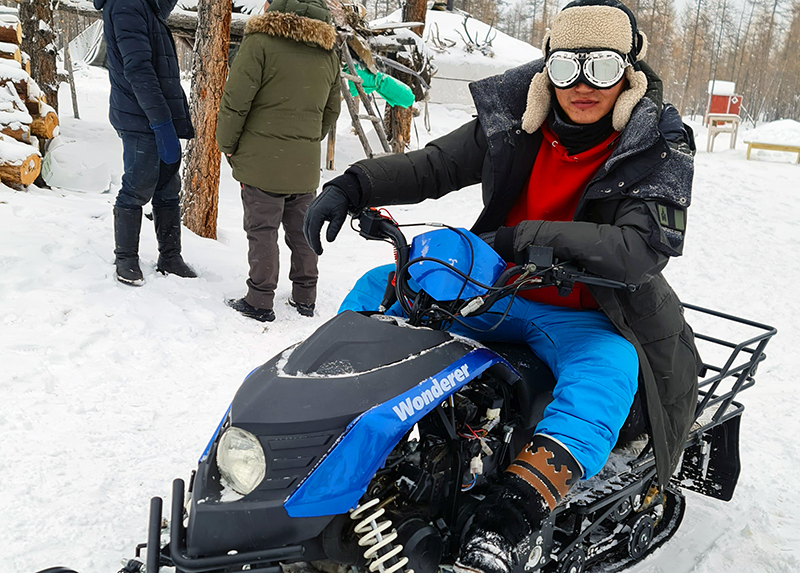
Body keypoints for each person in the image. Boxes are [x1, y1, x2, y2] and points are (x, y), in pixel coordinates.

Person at [303, 1, 700, 572]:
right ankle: (329, 425)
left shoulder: (658, 140)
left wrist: (519, 238)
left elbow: (639, 250)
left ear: (629, 73)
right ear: (547, 70)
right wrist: (354, 184)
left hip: (589, 309)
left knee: (610, 367)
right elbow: (434, 165)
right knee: (379, 287)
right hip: (498, 290)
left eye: (603, 68)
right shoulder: (518, 114)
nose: (582, 86)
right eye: (567, 68)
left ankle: (520, 506)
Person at [216, 0, 341, 323]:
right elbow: (331, 109)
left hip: (262, 161)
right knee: (302, 231)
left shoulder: (260, 42)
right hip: (303, 165)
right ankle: (305, 296)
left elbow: (236, 100)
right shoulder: (327, 49)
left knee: (262, 230)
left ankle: (259, 299)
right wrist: (308, 141)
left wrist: (227, 144)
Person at [94, 0, 197, 286]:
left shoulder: (146, 6)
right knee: (138, 186)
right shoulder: (126, 4)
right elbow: (138, 69)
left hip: (156, 112)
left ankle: (170, 256)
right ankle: (126, 257)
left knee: (167, 187)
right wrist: (161, 123)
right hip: (140, 116)